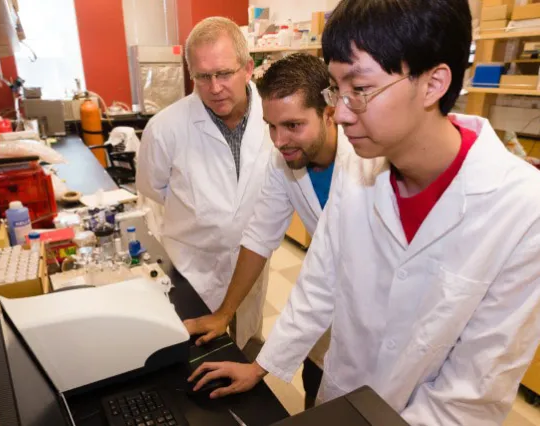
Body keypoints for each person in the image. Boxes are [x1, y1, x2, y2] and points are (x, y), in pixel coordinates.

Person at [188, 1, 540, 424]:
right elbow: (320, 282)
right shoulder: (359, 167)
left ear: (433, 84)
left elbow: (473, 390)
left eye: (360, 88)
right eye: (337, 90)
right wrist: (261, 365)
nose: (338, 112)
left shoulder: (522, 210)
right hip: (342, 395)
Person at [184, 53, 350, 408]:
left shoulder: (367, 162)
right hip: (323, 327)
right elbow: (260, 236)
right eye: (271, 126)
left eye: (293, 125)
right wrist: (223, 314)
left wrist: (261, 366)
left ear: (329, 112)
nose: (279, 140)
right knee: (317, 392)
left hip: (381, 329)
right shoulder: (285, 161)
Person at [136, 17, 273, 350]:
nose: (214, 88)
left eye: (224, 73)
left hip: (253, 266)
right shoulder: (165, 128)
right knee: (196, 358)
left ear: (248, 68)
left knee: (247, 342)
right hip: (191, 271)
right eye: (203, 76)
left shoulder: (275, 118)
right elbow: (154, 192)